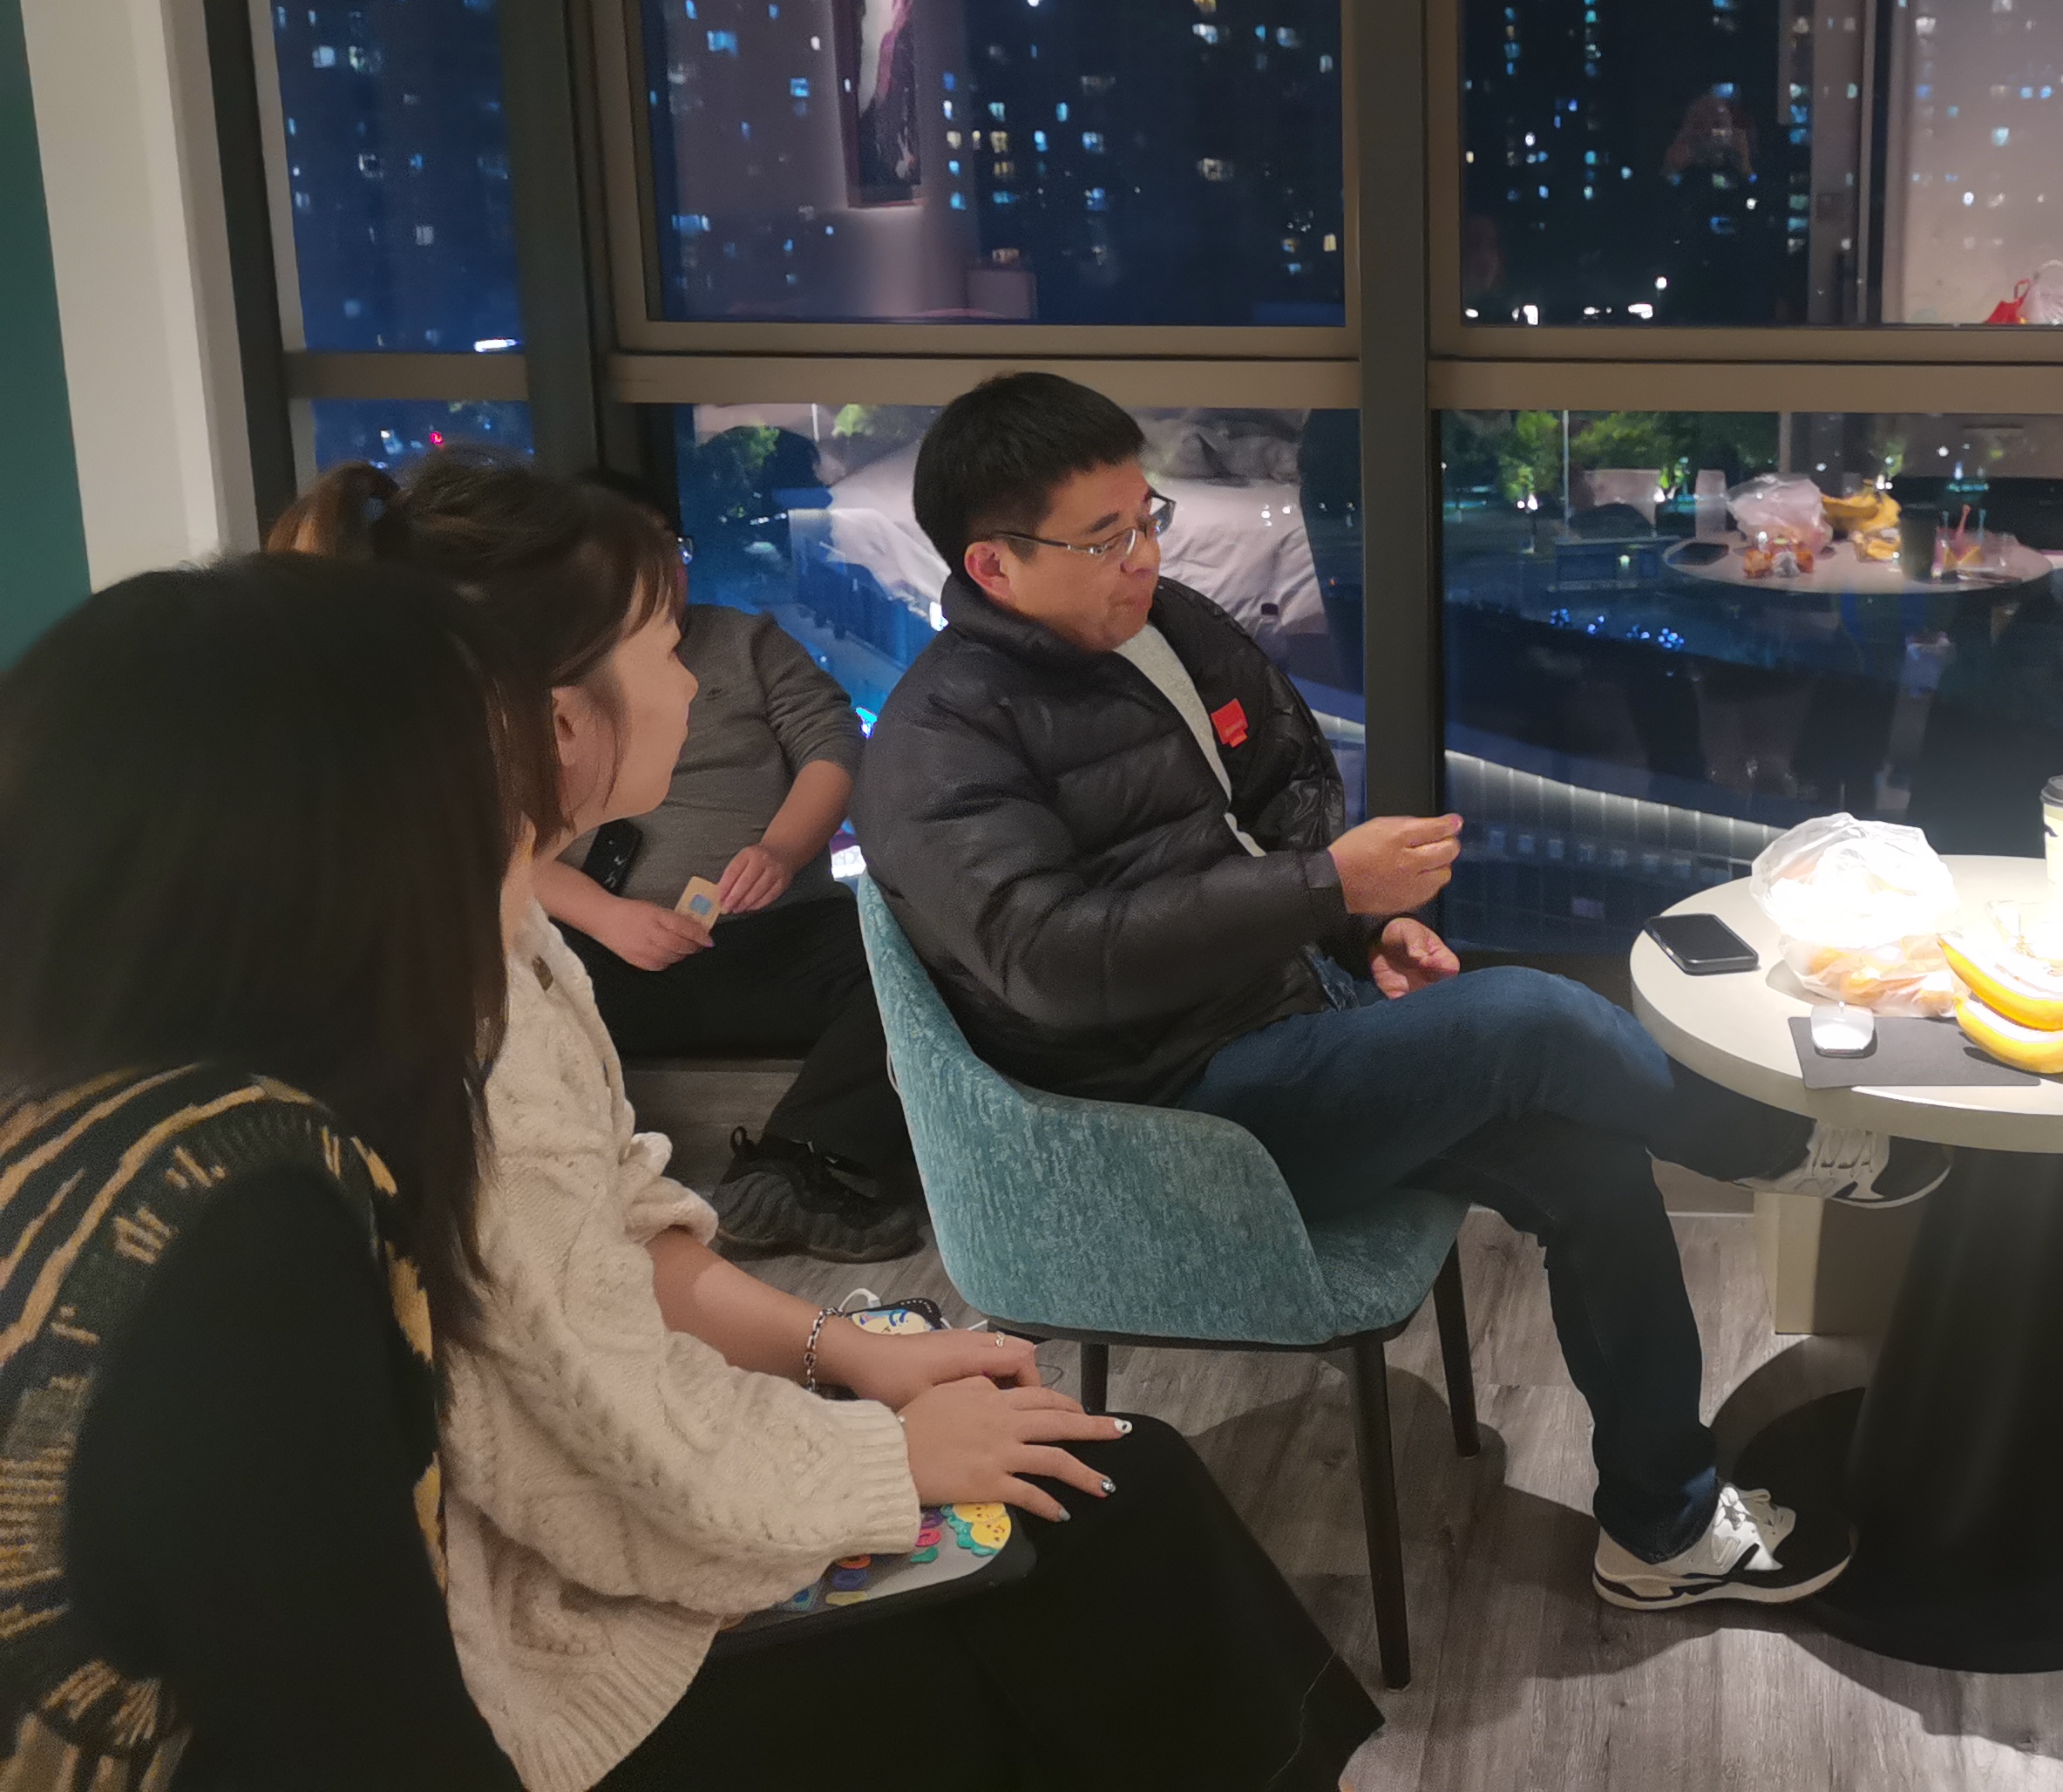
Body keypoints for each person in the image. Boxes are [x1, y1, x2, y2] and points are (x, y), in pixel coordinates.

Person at [278, 452, 1383, 1792]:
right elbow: (596, 1443)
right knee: (1110, 1501)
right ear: (559, 725)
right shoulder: (462, 1039)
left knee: (1103, 1482)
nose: (689, 683)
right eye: (660, 651)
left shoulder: (504, 948)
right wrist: (882, 1459)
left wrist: (844, 1349)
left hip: (637, 1505)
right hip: (565, 1663)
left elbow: (634, 1247)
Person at [858, 372, 1945, 1615]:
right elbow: (1052, 963)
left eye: (1145, 517)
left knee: (1592, 1168)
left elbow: (1280, 787)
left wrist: (1364, 927)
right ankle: (1786, 1149)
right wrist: (1328, 888)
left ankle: (1666, 1527)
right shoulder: (940, 746)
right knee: (1533, 1019)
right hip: (1165, 1121)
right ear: (992, 566)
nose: (1142, 557)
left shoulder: (1163, 628)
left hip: (1284, 1021)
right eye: (1102, 540)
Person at [0, 556, 533, 1787]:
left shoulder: (76, 1116)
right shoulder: (234, 1209)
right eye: (487, 802)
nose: (522, 842)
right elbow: (370, 1751)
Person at [533, 471, 920, 1264]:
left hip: (772, 939)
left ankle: (793, 1169)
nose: (660, 576)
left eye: (669, 549)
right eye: (630, 556)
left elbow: (833, 743)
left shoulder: (744, 642)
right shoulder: (535, 677)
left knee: (913, 956)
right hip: (598, 956)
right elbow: (500, 846)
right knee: (505, 970)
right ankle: (568, 1187)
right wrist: (608, 918)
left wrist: (782, 849)